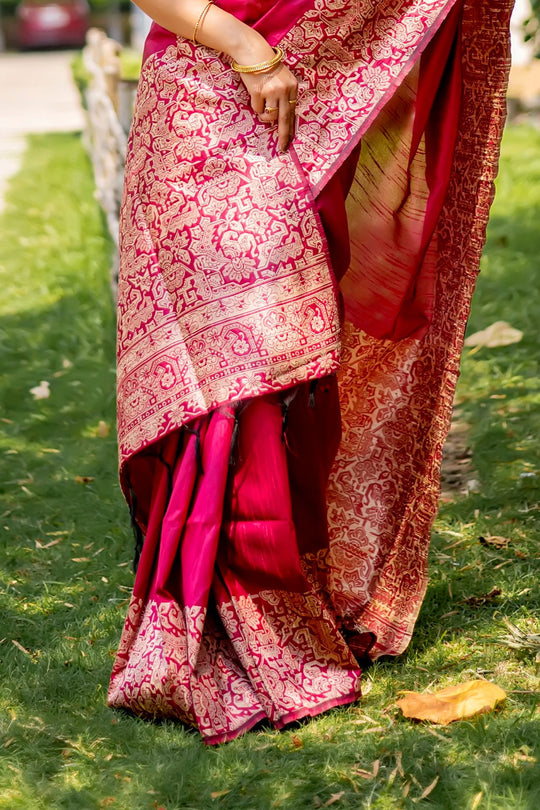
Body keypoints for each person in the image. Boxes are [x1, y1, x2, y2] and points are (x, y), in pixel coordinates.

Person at [108, 0, 515, 744]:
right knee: (232, 368)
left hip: (310, 101)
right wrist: (246, 47)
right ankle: (217, 629)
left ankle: (290, 609)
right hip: (203, 95)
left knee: (285, 360)